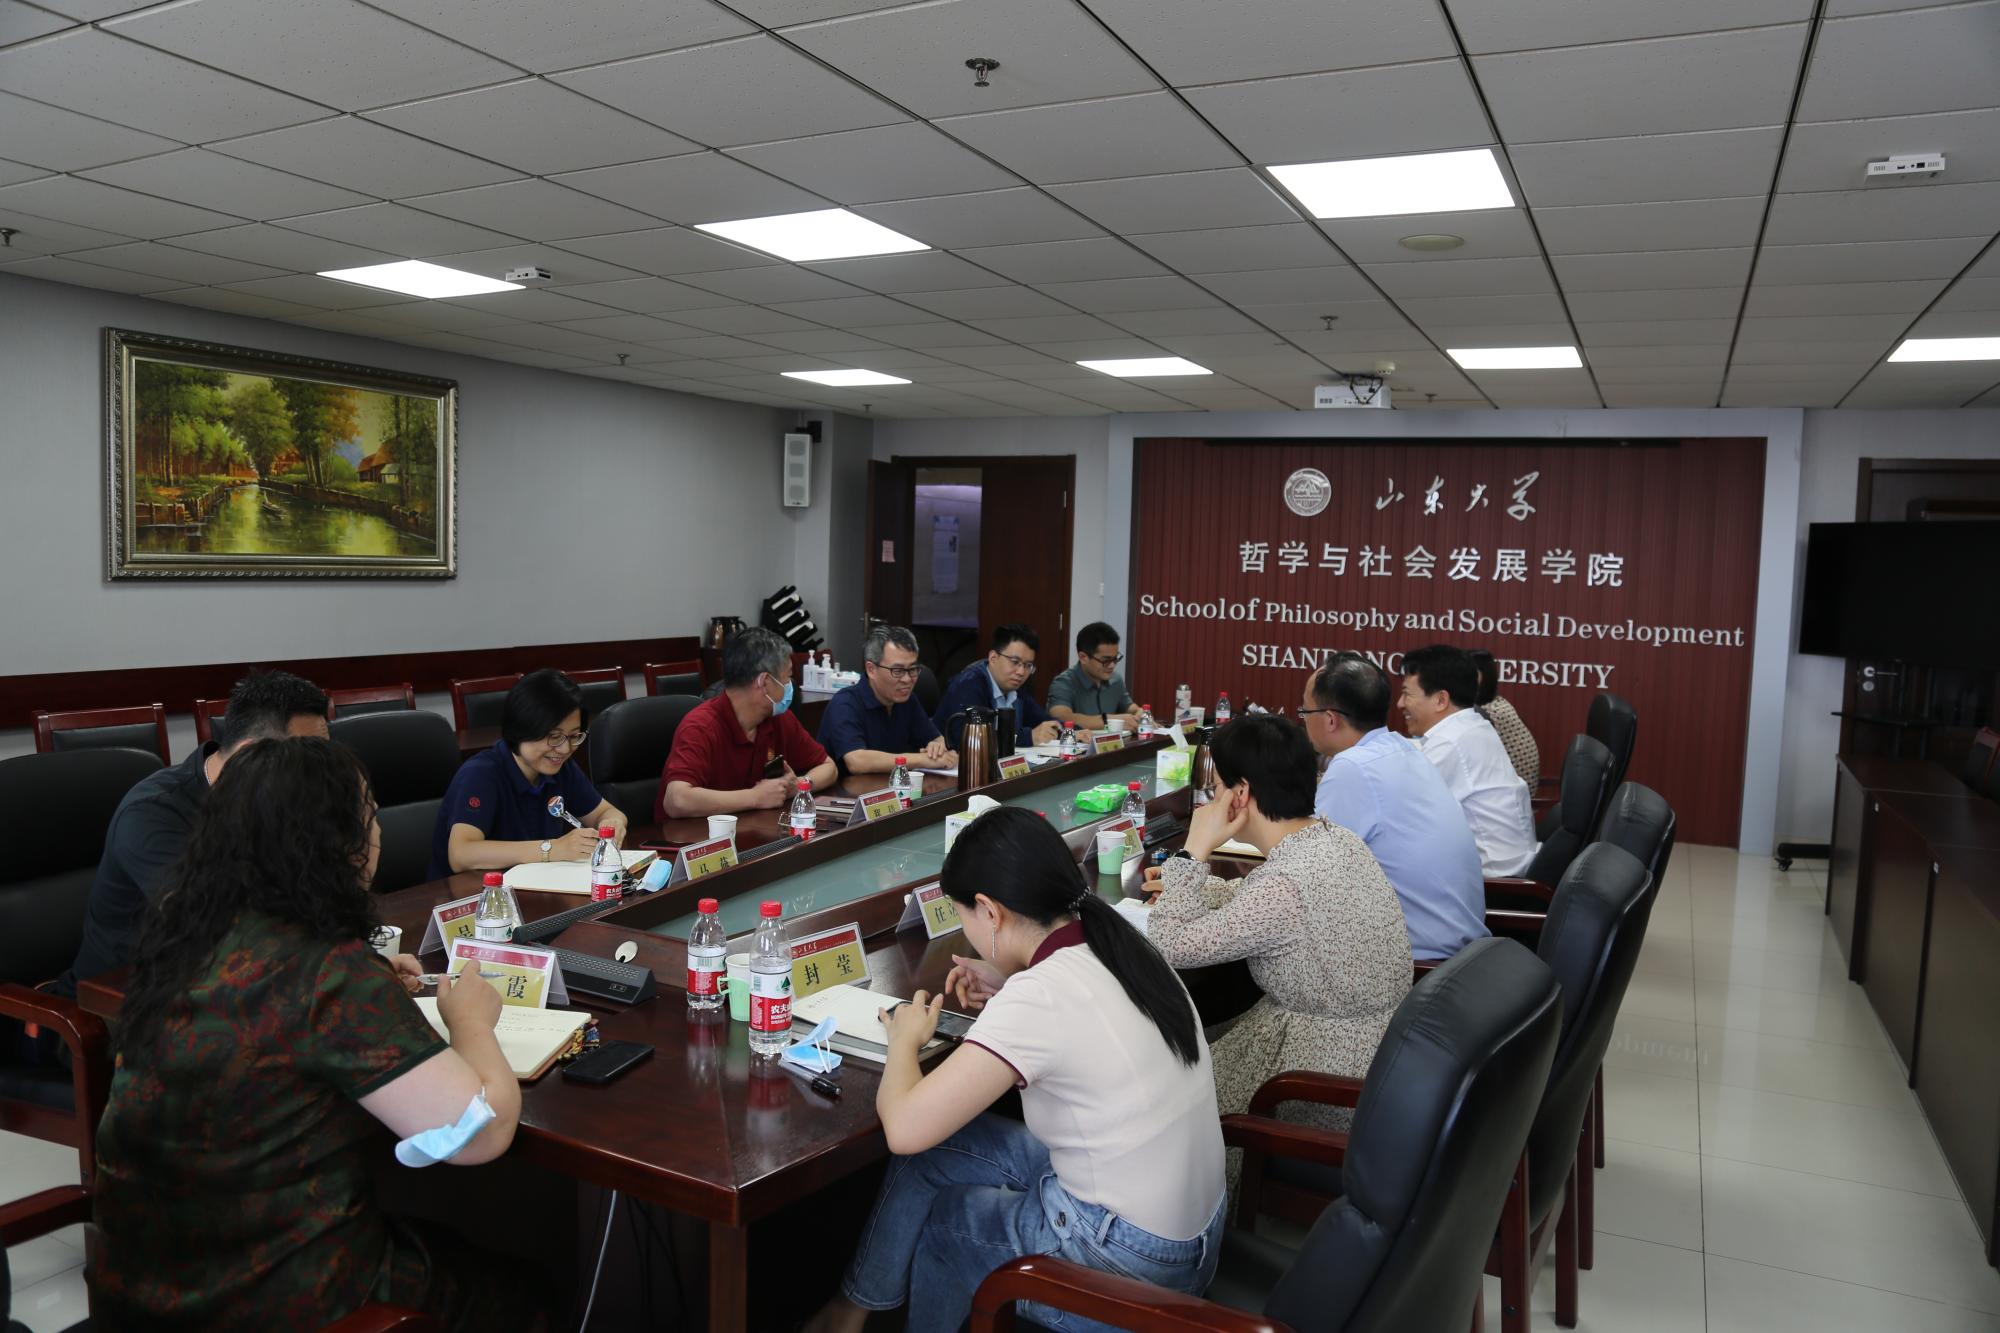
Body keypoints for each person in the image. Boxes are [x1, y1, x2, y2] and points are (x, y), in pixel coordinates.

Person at [91, 737, 538, 1332]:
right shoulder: (328, 971)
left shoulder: (185, 939)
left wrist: (370, 980)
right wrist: (471, 1023)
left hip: (140, 1292)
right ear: (335, 843)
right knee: (524, 1288)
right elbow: (478, 1134)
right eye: (370, 816)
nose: (378, 832)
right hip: (270, 1301)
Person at [803, 808, 1225, 1333]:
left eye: (964, 916)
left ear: (989, 910)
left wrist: (904, 1042)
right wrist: (1008, 984)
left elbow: (905, 1128)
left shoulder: (1039, 996)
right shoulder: (1120, 944)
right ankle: (852, 1308)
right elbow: (1079, 1019)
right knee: (937, 1152)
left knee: (947, 1225)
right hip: (1192, 1237)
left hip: (1128, 1261)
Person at [1142, 715, 1410, 1161]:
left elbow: (1172, 944)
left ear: (1240, 793)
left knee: (1166, 1091)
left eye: (1218, 787)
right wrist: (1192, 885)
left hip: (1317, 1076)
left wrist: (1194, 851)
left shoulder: (1286, 884)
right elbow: (1257, 899)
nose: (1214, 799)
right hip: (1376, 1055)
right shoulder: (1336, 839)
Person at [57, 668, 328, 995]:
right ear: (250, 753)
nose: (321, 772)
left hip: (229, 983)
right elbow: (219, 930)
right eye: (309, 757)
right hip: (125, 999)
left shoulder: (283, 798)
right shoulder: (152, 814)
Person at [1303, 653, 1488, 961]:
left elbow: (1308, 877)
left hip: (1417, 961)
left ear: (1330, 719)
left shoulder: (1353, 767)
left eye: (1305, 711)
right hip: (1459, 953)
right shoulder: (1403, 749)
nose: (1304, 720)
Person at [432, 668, 626, 879]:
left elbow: (607, 813)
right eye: (554, 737)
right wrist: (552, 849)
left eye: (573, 737)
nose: (564, 749)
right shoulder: (481, 774)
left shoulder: (561, 768)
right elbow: (461, 854)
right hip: (473, 894)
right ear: (522, 729)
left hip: (533, 886)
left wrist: (612, 824)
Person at [659, 626, 837, 820]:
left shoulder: (779, 719)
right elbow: (677, 800)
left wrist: (799, 786)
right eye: (787, 677)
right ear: (764, 682)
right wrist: (756, 797)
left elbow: (829, 767)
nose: (790, 685)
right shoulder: (700, 726)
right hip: (697, 836)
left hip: (753, 830)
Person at [1399, 644, 1537, 878]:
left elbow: (1400, 812)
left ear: (1441, 700)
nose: (1400, 704)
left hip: (1495, 882)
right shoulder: (1472, 726)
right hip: (1503, 867)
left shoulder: (1450, 743)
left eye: (1407, 694)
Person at [816, 624, 956, 778]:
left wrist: (938, 748)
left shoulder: (907, 699)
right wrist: (922, 759)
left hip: (894, 787)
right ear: (871, 669)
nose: (907, 679)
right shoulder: (845, 703)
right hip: (850, 791)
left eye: (913, 669)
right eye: (898, 671)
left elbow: (935, 738)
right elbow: (857, 761)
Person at [930, 623, 1065, 752]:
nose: (1021, 672)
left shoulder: (1016, 688)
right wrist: (1028, 737)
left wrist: (1070, 731)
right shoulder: (968, 685)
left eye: (1028, 665)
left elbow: (1043, 720)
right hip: (955, 764)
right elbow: (971, 739)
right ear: (993, 658)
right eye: (1015, 662)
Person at [1047, 621, 1139, 731]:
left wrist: (1140, 713)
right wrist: (1108, 721)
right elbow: (1060, 718)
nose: (1112, 665)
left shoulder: (1116, 680)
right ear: (1083, 657)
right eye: (1106, 660)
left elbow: (1130, 707)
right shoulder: (1063, 683)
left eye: (1115, 659)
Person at [1468, 648, 1540, 788]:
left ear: (1481, 675)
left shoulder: (1487, 712)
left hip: (1511, 791)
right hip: (1514, 787)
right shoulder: (1496, 702)